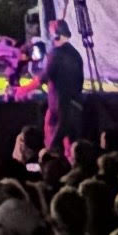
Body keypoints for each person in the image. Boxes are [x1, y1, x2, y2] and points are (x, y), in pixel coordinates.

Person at [40, 20, 86, 150]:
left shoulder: (55, 54)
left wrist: (23, 90)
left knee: (52, 146)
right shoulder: (76, 55)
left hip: (59, 108)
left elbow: (43, 77)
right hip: (75, 106)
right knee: (72, 148)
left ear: (55, 35)